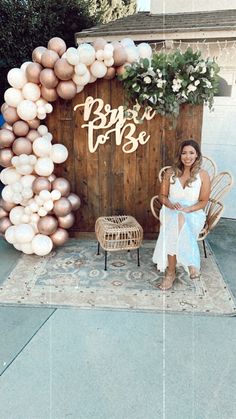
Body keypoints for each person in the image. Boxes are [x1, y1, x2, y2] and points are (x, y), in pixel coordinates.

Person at [152, 139, 211, 290]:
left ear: (197, 155)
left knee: (178, 221)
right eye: (184, 153)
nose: (187, 156)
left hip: (193, 212)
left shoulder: (203, 175)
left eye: (191, 153)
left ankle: (170, 273)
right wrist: (171, 205)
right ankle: (191, 263)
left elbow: (204, 201)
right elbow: (162, 196)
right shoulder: (170, 173)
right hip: (170, 210)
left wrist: (188, 209)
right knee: (177, 219)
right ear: (180, 155)